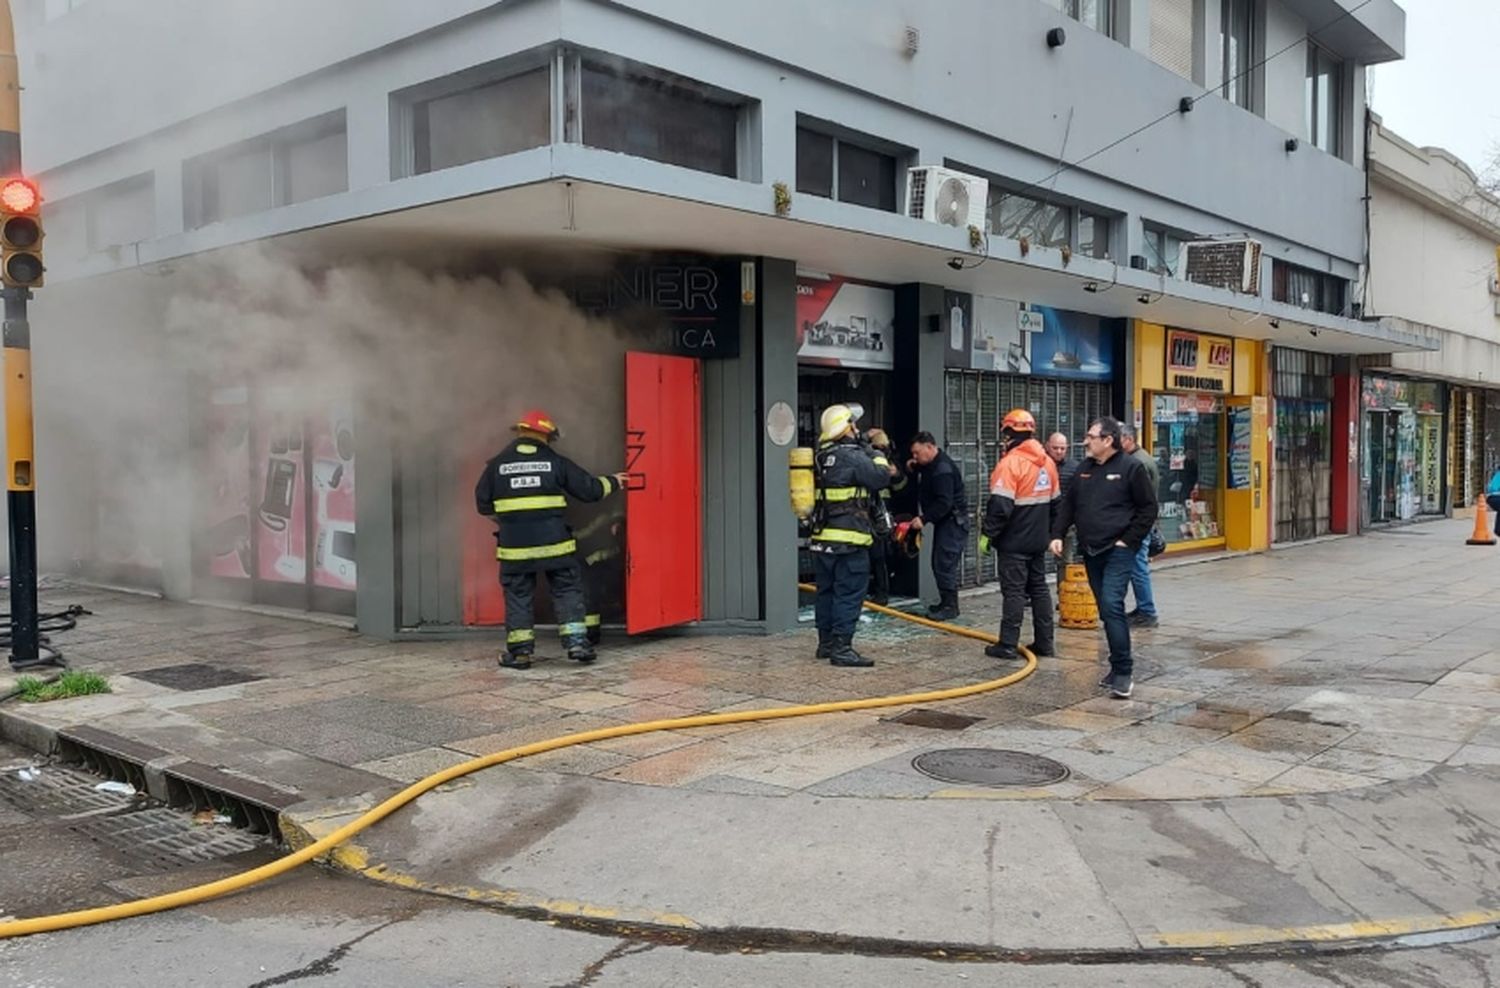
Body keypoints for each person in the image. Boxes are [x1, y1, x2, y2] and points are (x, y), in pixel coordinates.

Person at [474, 409, 627, 670]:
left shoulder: (496, 466)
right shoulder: (555, 462)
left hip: (515, 550)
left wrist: (512, 522)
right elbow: (589, 490)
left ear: (521, 432)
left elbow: (483, 505)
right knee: (566, 590)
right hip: (556, 546)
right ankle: (578, 644)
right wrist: (614, 481)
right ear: (546, 435)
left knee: (519, 596)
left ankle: (521, 653)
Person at [1049, 416, 1158, 699]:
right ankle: (1114, 668)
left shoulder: (1131, 467)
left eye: (1091, 436)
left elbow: (1148, 509)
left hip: (1119, 551)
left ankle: (1124, 672)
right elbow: (1068, 505)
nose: (1085, 441)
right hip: (1091, 550)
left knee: (1111, 604)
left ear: (1108, 440)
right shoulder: (1084, 469)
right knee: (1106, 610)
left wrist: (1127, 542)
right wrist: (1057, 534)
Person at [811, 403, 892, 667]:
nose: (857, 429)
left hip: (822, 540)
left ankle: (825, 643)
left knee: (826, 592)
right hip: (850, 541)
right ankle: (842, 649)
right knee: (848, 593)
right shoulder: (854, 457)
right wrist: (876, 450)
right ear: (846, 428)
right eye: (853, 425)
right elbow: (881, 477)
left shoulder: (820, 457)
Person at [979, 409, 1059, 661]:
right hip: (1038, 539)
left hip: (1014, 541)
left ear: (1010, 433)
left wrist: (987, 534)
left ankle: (1007, 644)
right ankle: (1045, 643)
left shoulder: (1010, 463)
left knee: (1013, 592)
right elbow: (1057, 504)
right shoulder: (1047, 462)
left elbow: (1000, 507)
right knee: (1039, 589)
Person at [907, 431, 969, 621]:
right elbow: (925, 471)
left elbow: (944, 502)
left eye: (917, 453)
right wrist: (915, 466)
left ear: (929, 447)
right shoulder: (932, 464)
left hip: (952, 523)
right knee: (939, 562)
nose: (915, 457)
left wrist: (923, 519)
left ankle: (950, 607)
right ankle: (945, 602)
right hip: (946, 523)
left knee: (944, 563)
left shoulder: (943, 470)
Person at [1119, 427, 1160, 629]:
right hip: (1140, 520)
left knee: (1138, 567)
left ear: (1128, 440)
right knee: (1137, 566)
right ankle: (1143, 608)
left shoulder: (1139, 463)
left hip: (1138, 523)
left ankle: (1147, 611)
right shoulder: (1141, 458)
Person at [864, 427, 905, 605]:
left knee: (879, 555)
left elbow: (901, 488)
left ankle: (881, 593)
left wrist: (896, 476)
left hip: (881, 513)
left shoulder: (891, 463)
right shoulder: (865, 458)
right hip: (866, 510)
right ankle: (873, 590)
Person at [1487, 465, 1500, 536]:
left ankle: (1498, 530)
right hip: (1495, 497)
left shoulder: (1497, 474)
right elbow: (1494, 488)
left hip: (1493, 498)